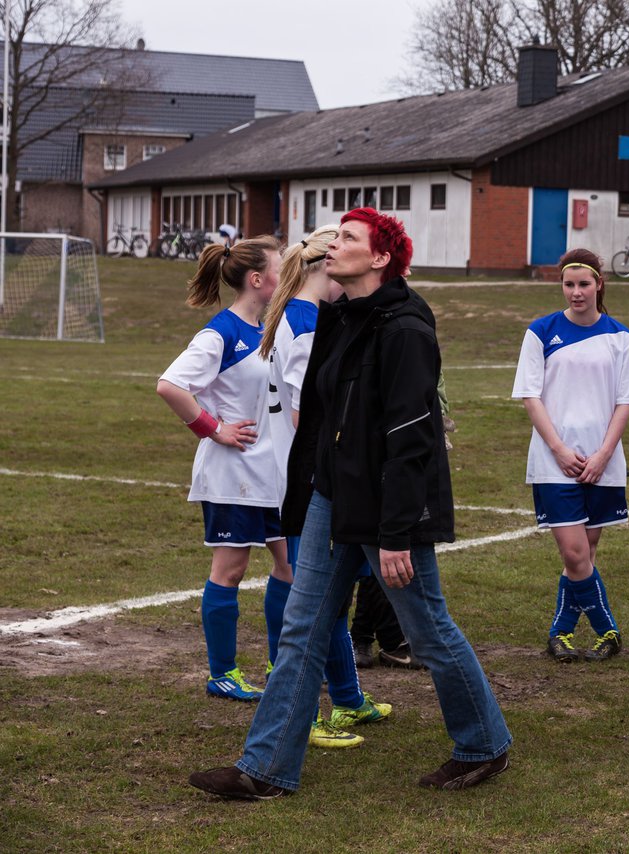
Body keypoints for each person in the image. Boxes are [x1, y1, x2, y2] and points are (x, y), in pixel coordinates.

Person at [189, 208, 511, 799]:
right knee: (302, 629)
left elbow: (412, 440)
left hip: (389, 509)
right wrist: (306, 490)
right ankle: (265, 770)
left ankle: (484, 744)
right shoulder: (339, 317)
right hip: (331, 499)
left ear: (381, 257)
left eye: (348, 238)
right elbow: (319, 415)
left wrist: (394, 534)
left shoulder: (407, 329)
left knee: (428, 628)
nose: (333, 245)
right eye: (335, 236)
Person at [257, 226, 391, 749]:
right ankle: (305, 711)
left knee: (325, 593)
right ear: (322, 268)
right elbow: (305, 415)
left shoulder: (295, 313)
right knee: (304, 593)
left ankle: (349, 699)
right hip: (306, 474)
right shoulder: (308, 322)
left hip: (298, 470)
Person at [157, 236, 288, 702]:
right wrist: (215, 429)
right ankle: (222, 673)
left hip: (273, 475)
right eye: (279, 266)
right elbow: (170, 385)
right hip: (233, 474)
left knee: (290, 566)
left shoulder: (268, 330)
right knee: (230, 570)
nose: (285, 273)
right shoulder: (221, 333)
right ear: (258, 279)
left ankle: (281, 666)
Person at [512, 249, 629, 663]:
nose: (576, 292)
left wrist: (604, 454)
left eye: (584, 284)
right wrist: (558, 449)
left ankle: (561, 631)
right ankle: (608, 628)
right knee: (573, 553)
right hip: (555, 461)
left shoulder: (621, 337)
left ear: (599, 284)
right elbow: (530, 397)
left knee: (584, 554)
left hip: (601, 462)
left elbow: (626, 402)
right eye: (569, 284)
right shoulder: (540, 331)